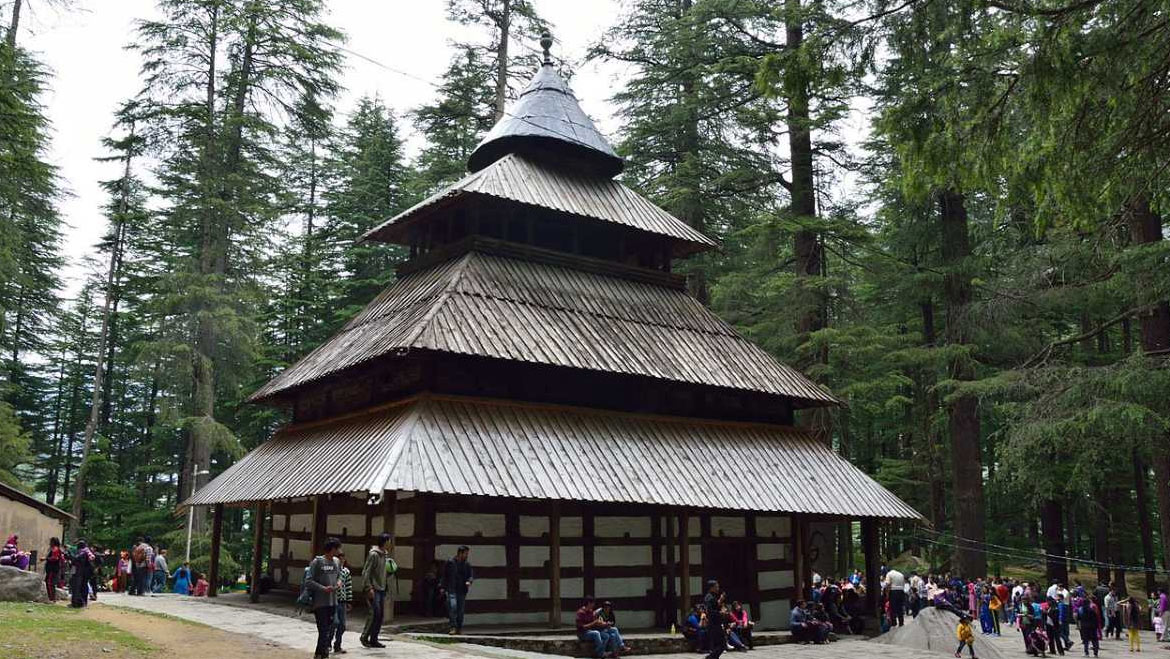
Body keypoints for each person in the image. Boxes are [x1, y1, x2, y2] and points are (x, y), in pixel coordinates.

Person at [305, 537, 342, 659]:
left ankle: (319, 653)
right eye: (337, 548)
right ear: (332, 549)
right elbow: (309, 581)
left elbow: (339, 576)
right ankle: (323, 654)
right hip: (320, 602)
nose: (339, 551)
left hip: (333, 601)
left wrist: (338, 583)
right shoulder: (318, 562)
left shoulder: (337, 562)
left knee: (331, 627)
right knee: (323, 629)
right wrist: (323, 588)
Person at [360, 533, 392, 649]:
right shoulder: (374, 555)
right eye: (389, 541)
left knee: (380, 615)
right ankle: (364, 637)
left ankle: (374, 639)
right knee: (374, 613)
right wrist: (368, 588)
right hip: (374, 588)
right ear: (385, 542)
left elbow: (383, 573)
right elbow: (366, 572)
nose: (390, 543)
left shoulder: (385, 555)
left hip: (382, 588)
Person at [443, 545, 474, 635]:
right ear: (460, 553)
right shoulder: (450, 562)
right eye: (465, 553)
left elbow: (471, 575)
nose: (467, 555)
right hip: (451, 589)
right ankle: (453, 626)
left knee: (460, 611)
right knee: (453, 607)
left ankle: (459, 628)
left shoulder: (467, 564)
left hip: (462, 590)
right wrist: (443, 587)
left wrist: (469, 581)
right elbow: (445, 575)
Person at [333, 551, 353, 655]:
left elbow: (348, 587)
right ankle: (327, 643)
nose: (341, 561)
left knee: (342, 625)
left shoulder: (346, 572)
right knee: (334, 623)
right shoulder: (333, 571)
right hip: (333, 601)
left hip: (342, 601)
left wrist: (349, 601)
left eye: (343, 559)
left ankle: (338, 645)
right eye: (339, 558)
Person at [69, 540, 96, 608]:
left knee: (80, 587)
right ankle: (83, 602)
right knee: (84, 587)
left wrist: (70, 556)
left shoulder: (83, 553)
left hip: (82, 573)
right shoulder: (87, 552)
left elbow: (76, 560)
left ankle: (79, 602)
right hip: (86, 573)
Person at [703, 580, 726, 659]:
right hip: (714, 624)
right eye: (716, 587)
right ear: (711, 588)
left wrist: (720, 600)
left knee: (717, 645)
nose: (718, 588)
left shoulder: (712, 597)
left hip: (715, 623)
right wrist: (720, 613)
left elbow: (715, 606)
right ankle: (709, 658)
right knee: (722, 645)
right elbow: (710, 612)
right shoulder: (709, 598)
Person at [1077, 593, 1101, 657]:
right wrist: (1096, 627)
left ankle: (1086, 653)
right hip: (1092, 626)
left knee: (1086, 640)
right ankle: (1095, 653)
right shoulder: (1092, 610)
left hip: (1084, 626)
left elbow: (1078, 619)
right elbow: (1096, 619)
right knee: (1094, 640)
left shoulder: (1080, 610)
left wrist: (1079, 626)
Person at [42, 537, 64, 601]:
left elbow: (55, 558)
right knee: (48, 582)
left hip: (53, 569)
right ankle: (50, 597)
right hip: (50, 569)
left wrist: (46, 558)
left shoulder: (55, 549)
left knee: (50, 583)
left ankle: (52, 598)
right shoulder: (52, 549)